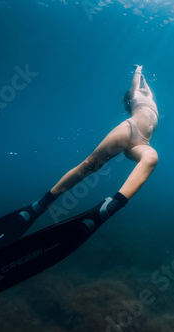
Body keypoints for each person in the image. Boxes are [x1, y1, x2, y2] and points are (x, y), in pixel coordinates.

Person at [32, 65, 159, 222]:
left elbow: (149, 90)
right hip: (129, 130)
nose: (141, 89)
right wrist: (138, 71)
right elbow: (135, 84)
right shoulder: (134, 95)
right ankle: (42, 203)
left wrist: (145, 81)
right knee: (90, 165)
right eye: (139, 88)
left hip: (141, 144)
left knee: (152, 158)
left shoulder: (150, 98)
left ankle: (113, 205)